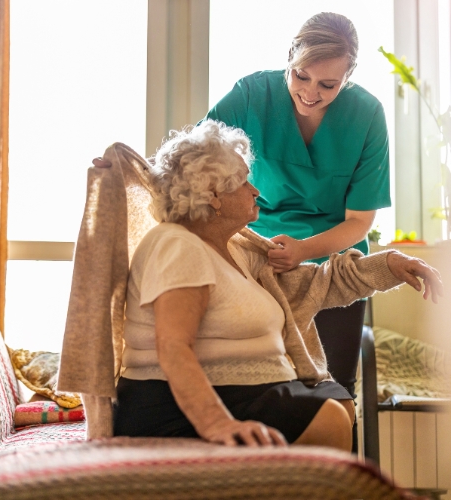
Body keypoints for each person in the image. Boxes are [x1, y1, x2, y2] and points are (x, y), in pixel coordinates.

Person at [111, 120, 442, 450]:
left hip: (245, 391)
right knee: (328, 418)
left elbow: (319, 283)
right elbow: (173, 347)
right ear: (213, 194)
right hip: (171, 405)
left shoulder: (240, 251)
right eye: (243, 181)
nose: (255, 191)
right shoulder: (178, 245)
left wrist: (391, 265)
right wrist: (217, 423)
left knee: (337, 405)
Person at [201, 12, 390, 429]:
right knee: (262, 388)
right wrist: (128, 169)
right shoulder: (252, 94)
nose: (310, 93)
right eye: (301, 76)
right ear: (289, 59)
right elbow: (195, 156)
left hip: (334, 261)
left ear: (348, 76)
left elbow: (359, 220)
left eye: (328, 85)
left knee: (336, 390)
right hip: (257, 257)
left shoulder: (367, 115)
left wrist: (305, 250)